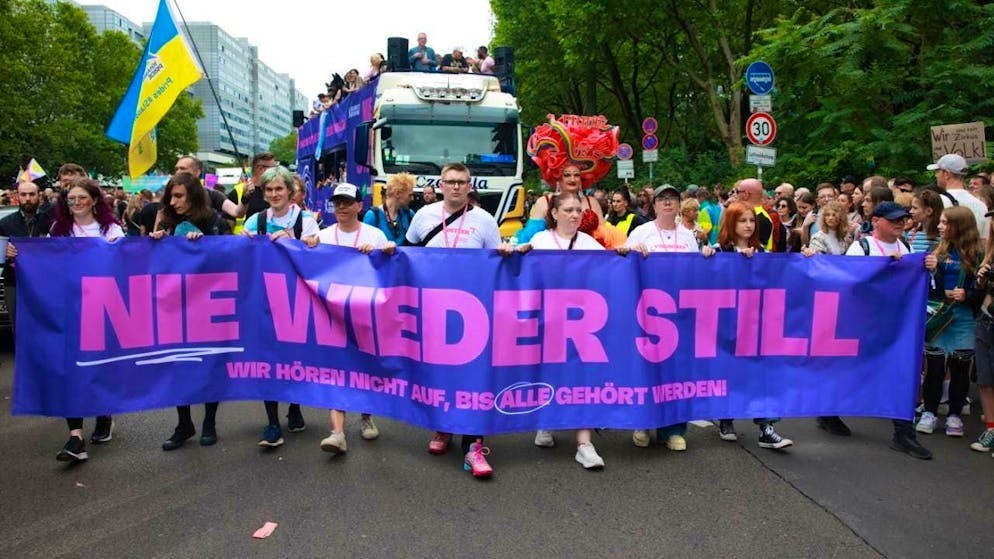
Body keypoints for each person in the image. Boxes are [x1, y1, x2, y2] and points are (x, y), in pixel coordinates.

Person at [500, 192, 626, 469]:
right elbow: (520, 273)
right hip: (547, 321)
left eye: (578, 210)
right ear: (554, 213)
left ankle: (584, 443)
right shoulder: (539, 240)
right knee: (547, 372)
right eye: (568, 209)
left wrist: (626, 255)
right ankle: (546, 421)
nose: (574, 215)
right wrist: (512, 254)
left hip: (582, 324)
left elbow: (609, 270)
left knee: (583, 379)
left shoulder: (589, 243)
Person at [406, 162, 500, 478]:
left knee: (472, 376)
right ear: (441, 184)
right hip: (433, 309)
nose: (456, 187)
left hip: (473, 312)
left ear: (470, 186)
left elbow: (496, 264)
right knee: (437, 371)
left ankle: (473, 447)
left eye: (462, 182)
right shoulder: (423, 217)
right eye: (450, 182)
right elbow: (409, 256)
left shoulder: (485, 221)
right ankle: (442, 427)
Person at [818, 202, 932, 459]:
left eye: (903, 219)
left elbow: (920, 283)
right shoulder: (862, 247)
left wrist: (927, 266)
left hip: (897, 324)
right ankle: (827, 411)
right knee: (851, 369)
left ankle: (903, 432)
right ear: (877, 221)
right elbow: (848, 282)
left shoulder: (908, 248)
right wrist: (882, 268)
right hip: (863, 323)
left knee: (899, 371)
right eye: (894, 220)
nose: (900, 223)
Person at [304, 183, 396, 454]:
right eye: (337, 202)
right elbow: (306, 265)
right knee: (337, 370)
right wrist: (309, 248)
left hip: (365, 314)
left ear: (359, 206)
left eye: (347, 202)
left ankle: (366, 416)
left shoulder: (374, 234)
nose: (341, 207)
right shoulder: (322, 236)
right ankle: (337, 433)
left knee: (365, 367)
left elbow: (392, 259)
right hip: (331, 315)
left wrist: (385, 251)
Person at [627, 185, 715, 450]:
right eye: (662, 200)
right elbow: (621, 261)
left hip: (679, 311)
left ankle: (674, 430)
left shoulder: (688, 236)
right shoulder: (641, 231)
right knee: (647, 367)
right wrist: (632, 251)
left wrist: (706, 256)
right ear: (653, 205)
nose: (667, 204)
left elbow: (694, 272)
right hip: (647, 310)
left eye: (672, 200)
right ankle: (642, 423)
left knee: (677, 371)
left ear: (679, 205)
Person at [241, 165, 320, 447]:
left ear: (290, 191)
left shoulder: (306, 221)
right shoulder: (254, 222)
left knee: (294, 358)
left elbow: (316, 259)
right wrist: (244, 245)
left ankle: (295, 405)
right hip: (263, 301)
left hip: (296, 300)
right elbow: (240, 261)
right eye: (269, 189)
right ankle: (272, 422)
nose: (274, 194)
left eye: (279, 189)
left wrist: (296, 244)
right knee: (267, 360)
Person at [148, 173, 228, 450]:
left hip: (208, 305)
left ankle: (209, 422)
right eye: (171, 196)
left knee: (208, 363)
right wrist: (155, 239)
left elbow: (228, 258)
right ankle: (184, 423)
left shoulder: (214, 222)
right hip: (174, 305)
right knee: (177, 363)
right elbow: (151, 262)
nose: (174, 201)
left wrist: (203, 244)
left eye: (179, 196)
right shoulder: (166, 221)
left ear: (192, 195)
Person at [50, 178, 123, 462]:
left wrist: (118, 248)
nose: (76, 203)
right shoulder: (59, 230)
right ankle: (75, 436)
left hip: (102, 308)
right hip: (69, 307)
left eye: (82, 198)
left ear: (94, 200)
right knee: (70, 369)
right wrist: (17, 253)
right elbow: (45, 261)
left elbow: (125, 264)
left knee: (97, 367)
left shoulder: (111, 229)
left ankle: (104, 413)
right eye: (71, 199)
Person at [711, 202, 794, 448]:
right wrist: (707, 256)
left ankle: (766, 428)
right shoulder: (719, 251)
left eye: (751, 221)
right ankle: (726, 416)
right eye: (742, 220)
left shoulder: (763, 255)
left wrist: (807, 257)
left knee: (762, 374)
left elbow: (782, 277)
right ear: (731, 223)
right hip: (727, 325)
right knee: (730, 371)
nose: (748, 225)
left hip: (758, 325)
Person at [918, 207, 981, 437]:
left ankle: (955, 414)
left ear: (959, 226)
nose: (940, 226)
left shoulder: (978, 253)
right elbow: (923, 284)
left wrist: (967, 294)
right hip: (939, 313)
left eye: (945, 223)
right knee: (934, 367)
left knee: (960, 367)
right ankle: (930, 412)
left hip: (964, 316)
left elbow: (981, 289)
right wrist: (934, 272)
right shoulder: (935, 249)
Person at [516, 115, 619, 247]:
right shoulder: (544, 202)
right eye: (567, 175)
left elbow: (607, 239)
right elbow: (529, 241)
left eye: (576, 175)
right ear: (558, 177)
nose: (572, 179)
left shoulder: (591, 203)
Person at [0, 181, 53, 340]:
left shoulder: (51, 222)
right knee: (20, 331)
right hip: (14, 283)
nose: (28, 198)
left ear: (39, 196)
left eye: (32, 194)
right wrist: (4, 252)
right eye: (23, 195)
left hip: (45, 283)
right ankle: (24, 364)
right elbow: (0, 259)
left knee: (45, 328)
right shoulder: (5, 223)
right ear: (17, 197)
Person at [970, 213, 994, 455]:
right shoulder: (988, 252)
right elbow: (978, 291)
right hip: (986, 318)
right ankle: (991, 427)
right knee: (985, 379)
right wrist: (981, 280)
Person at [929, 153, 989, 240]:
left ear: (946, 174)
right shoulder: (981, 204)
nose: (936, 175)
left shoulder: (938, 201)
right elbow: (985, 239)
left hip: (946, 252)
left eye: (938, 171)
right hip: (972, 253)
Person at [228, 152, 278, 233]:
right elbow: (227, 227)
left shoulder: (274, 192)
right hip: (243, 242)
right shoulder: (237, 192)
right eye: (274, 168)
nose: (276, 172)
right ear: (261, 169)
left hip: (268, 243)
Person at [732, 178, 783, 252]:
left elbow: (756, 250)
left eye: (737, 192)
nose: (734, 195)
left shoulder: (761, 218)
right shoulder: (760, 214)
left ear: (746, 194)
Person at [364, 172, 415, 244]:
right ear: (397, 194)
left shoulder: (409, 214)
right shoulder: (373, 216)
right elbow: (366, 245)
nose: (412, 199)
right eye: (410, 195)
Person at [906, 189, 944, 254]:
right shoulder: (911, 234)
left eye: (915, 208)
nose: (910, 211)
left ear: (929, 211)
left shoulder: (942, 237)